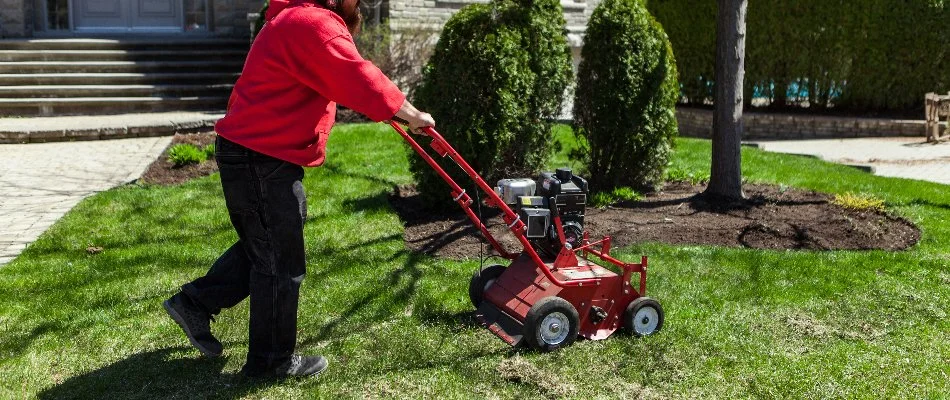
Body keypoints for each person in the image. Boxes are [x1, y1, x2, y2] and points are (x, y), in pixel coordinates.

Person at [162, 0, 435, 379]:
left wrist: (392, 109)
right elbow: (360, 77)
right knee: (279, 262)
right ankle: (270, 362)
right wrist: (412, 114)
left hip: (257, 153)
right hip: (259, 156)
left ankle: (195, 302)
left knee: (272, 243)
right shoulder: (312, 23)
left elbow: (344, 78)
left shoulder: (296, 18)